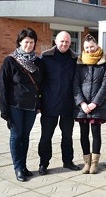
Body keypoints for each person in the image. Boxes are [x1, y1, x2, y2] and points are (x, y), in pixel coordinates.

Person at [0, 28, 43, 182]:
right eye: (26, 42)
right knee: (16, 136)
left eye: (31, 42)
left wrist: (40, 104)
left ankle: (23, 166)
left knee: (26, 136)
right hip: (15, 105)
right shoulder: (10, 61)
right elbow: (3, 87)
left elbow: (41, 85)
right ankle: (18, 168)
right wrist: (4, 111)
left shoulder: (38, 62)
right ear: (20, 42)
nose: (28, 45)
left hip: (31, 107)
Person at [38, 31, 80, 175]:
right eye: (62, 41)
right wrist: (39, 103)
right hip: (49, 103)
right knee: (46, 136)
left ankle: (68, 161)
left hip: (68, 105)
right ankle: (43, 163)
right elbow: (40, 82)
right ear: (56, 41)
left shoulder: (75, 59)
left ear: (70, 43)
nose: (64, 44)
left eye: (67, 42)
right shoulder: (46, 57)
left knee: (67, 136)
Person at [73, 34, 106, 174]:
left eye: (92, 47)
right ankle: (86, 163)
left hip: (97, 105)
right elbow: (75, 83)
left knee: (96, 133)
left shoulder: (104, 60)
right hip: (82, 105)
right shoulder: (79, 61)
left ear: (96, 46)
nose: (89, 50)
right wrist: (82, 103)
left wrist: (95, 103)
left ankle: (95, 163)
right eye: (87, 47)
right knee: (83, 134)